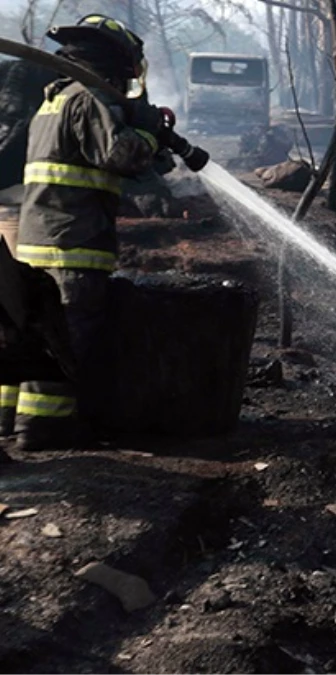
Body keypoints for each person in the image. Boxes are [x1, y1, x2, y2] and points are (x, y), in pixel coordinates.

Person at [4, 14, 205, 450]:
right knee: (65, 339)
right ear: (119, 61)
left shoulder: (53, 99)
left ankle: (7, 420)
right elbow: (121, 154)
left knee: (27, 331)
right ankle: (43, 429)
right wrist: (150, 134)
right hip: (73, 243)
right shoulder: (90, 97)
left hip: (39, 237)